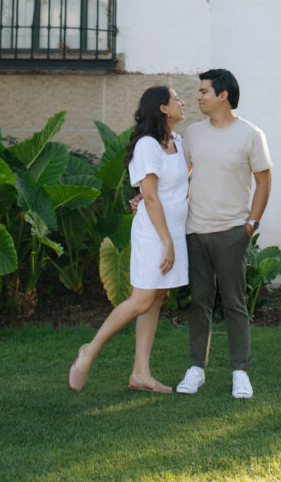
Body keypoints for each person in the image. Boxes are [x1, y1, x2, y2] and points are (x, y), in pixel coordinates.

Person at [68, 85, 188, 394]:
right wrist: (167, 241)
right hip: (155, 233)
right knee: (142, 299)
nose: (182, 102)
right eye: (176, 99)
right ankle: (89, 351)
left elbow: (177, 179)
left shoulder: (177, 141)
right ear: (162, 108)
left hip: (172, 228)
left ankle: (141, 374)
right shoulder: (147, 144)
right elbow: (149, 196)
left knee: (157, 298)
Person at [176, 68, 272, 400]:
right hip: (195, 232)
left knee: (235, 303)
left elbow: (264, 180)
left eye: (204, 91)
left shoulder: (250, 135)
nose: (198, 97)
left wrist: (250, 226)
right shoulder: (192, 134)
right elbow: (179, 176)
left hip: (232, 232)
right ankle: (196, 370)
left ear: (223, 95)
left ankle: (240, 373)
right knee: (199, 302)